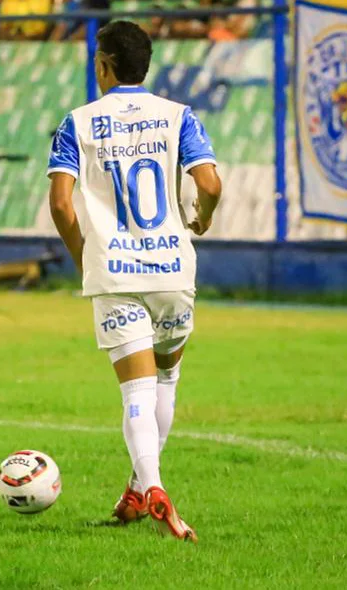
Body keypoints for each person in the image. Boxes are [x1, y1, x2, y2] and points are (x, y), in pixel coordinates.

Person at [45, 20, 222, 541]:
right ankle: (137, 490)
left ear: (102, 65)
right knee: (165, 379)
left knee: (135, 389)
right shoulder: (178, 116)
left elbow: (60, 203)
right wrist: (202, 216)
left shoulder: (77, 122)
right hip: (172, 267)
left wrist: (84, 255)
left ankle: (154, 487)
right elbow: (209, 183)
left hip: (116, 272)